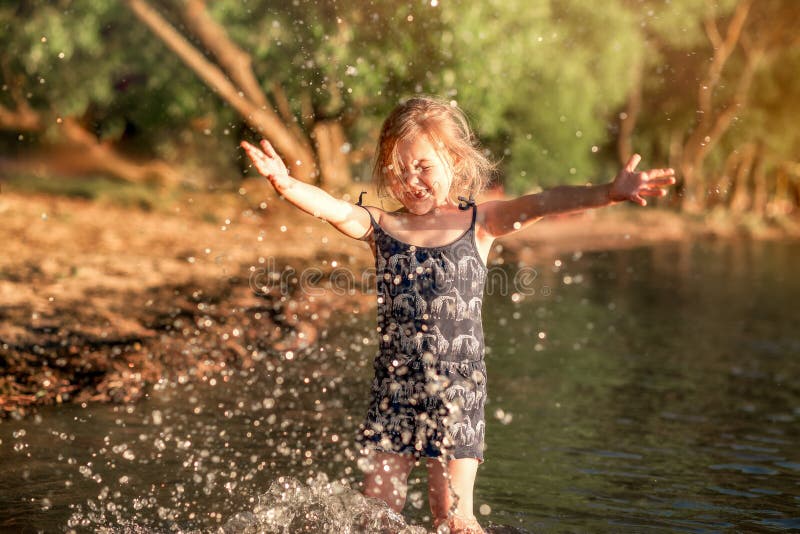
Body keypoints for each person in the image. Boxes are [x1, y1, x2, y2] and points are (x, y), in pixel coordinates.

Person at [241, 95, 676, 533]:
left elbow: (544, 202)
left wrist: (609, 193)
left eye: (423, 167)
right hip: (395, 387)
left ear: (452, 159)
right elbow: (332, 207)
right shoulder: (381, 226)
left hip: (457, 394)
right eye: (398, 170)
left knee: (452, 518)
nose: (410, 180)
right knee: (374, 515)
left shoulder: (479, 223)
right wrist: (286, 184)